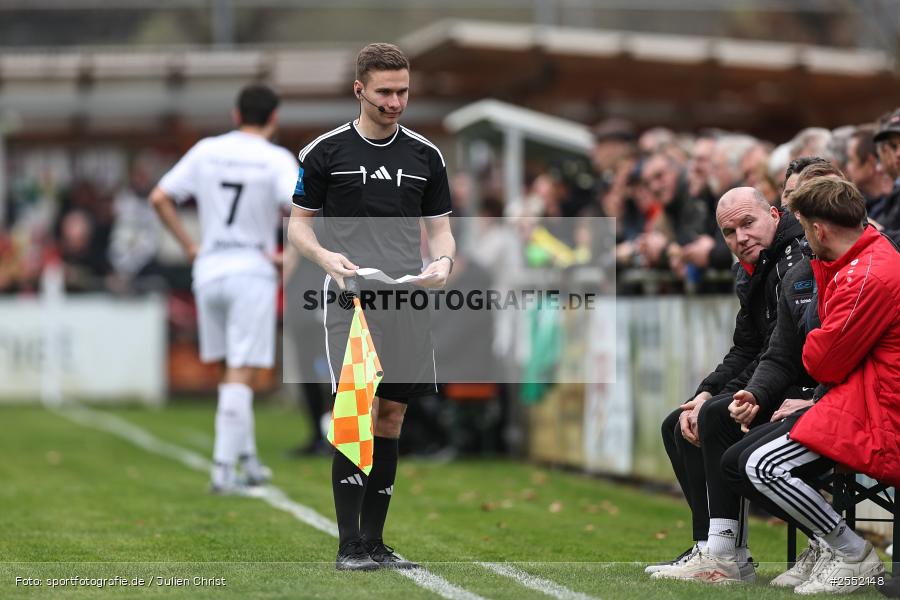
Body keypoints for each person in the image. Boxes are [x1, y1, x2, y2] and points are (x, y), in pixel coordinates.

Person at [287, 42, 454, 571]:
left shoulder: (427, 156)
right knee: (354, 413)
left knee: (392, 416)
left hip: (408, 302)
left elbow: (442, 232)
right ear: (359, 89)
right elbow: (298, 226)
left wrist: (444, 264)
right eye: (384, 91)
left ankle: (376, 542)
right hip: (352, 300)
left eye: (403, 91)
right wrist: (325, 258)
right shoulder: (324, 152)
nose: (395, 101)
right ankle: (348, 545)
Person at [723, 177, 898, 594]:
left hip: (879, 411)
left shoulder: (868, 275)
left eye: (802, 227)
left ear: (817, 229)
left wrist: (819, 344)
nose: (802, 239)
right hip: (857, 399)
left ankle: (851, 553)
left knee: (760, 465)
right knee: (737, 461)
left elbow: (821, 360)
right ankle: (829, 546)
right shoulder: (851, 263)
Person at [650, 186, 806, 582]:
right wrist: (703, 392)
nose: (740, 238)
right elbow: (746, 348)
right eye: (729, 232)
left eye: (748, 223)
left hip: (801, 384)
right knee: (679, 420)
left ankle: (725, 554)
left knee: (716, 416)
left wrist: (724, 398)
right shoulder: (749, 268)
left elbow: (782, 352)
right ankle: (712, 547)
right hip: (772, 376)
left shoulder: (796, 259)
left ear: (774, 215)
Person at [149, 84, 298, 494]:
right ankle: (222, 470)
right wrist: (291, 254)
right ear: (274, 118)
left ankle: (247, 460)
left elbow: (159, 197)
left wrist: (189, 246)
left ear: (236, 114)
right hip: (251, 267)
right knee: (242, 369)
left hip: (210, 269)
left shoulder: (206, 150)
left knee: (230, 368)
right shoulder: (276, 159)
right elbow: (302, 206)